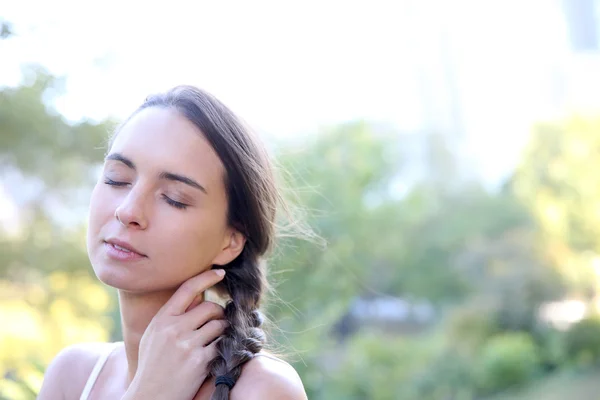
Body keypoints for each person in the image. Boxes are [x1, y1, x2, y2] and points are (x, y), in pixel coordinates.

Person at [37, 86, 309, 400]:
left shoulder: (262, 390)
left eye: (174, 199)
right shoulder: (73, 376)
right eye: (117, 178)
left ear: (230, 241)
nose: (128, 211)